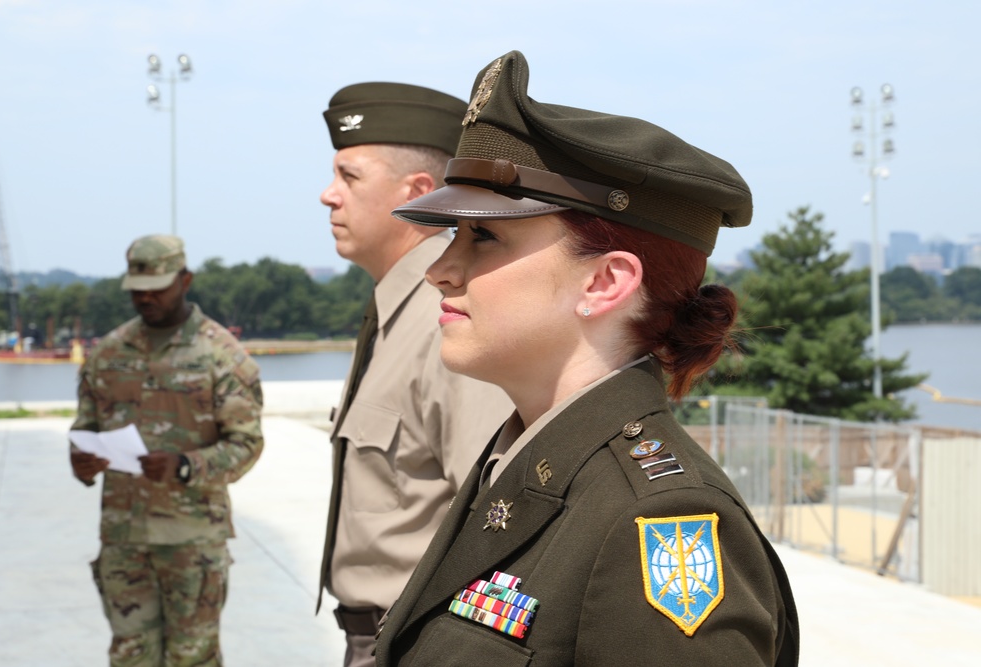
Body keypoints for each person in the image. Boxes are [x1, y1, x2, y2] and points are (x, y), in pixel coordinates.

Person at [374, 51, 800, 666]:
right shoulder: (526, 462)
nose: (440, 271)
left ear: (605, 282)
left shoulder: (657, 516)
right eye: (450, 235)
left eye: (484, 236)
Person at [317, 83, 512, 665]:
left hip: (414, 643)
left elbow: (494, 521)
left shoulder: (445, 316)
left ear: (418, 194)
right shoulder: (396, 307)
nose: (328, 195)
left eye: (350, 177)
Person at [69, 234, 264, 666]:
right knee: (130, 657)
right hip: (124, 539)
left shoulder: (221, 355)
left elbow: (247, 444)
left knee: (191, 658)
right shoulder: (107, 354)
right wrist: (81, 461)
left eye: (158, 286)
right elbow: (85, 427)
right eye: (138, 289)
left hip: (192, 542)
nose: (146, 297)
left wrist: (185, 466)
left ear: (185, 280)